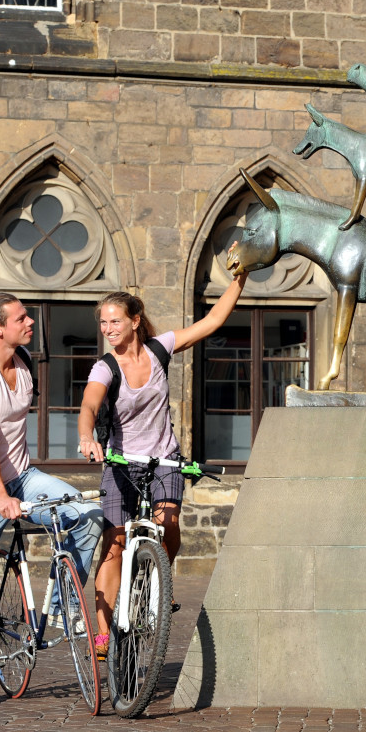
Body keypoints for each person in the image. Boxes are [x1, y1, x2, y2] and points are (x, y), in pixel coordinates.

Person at [77, 266, 247, 659]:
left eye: (115, 321)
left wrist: (241, 279)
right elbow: (89, 404)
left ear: (135, 322)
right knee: (115, 544)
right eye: (103, 322)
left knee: (169, 528)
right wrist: (87, 436)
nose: (108, 328)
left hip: (163, 460)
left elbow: (213, 321)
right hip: (121, 462)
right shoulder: (106, 366)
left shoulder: (159, 348)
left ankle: (156, 582)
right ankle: (103, 636)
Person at [0, 293, 103, 715]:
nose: (31, 322)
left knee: (88, 516)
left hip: (24, 476)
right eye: (22, 317)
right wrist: (0, 497)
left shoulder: (24, 362)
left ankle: (60, 608)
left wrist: (17, 487)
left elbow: (12, 434)